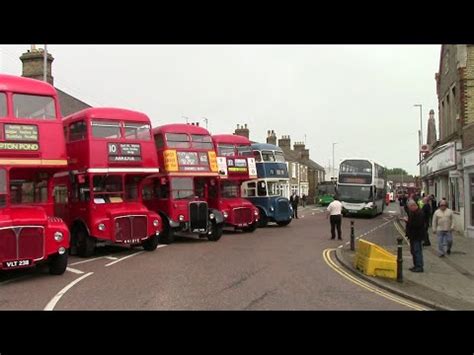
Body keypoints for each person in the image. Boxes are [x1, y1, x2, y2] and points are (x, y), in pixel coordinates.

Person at [403, 200, 425, 272]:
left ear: (413, 206)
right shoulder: (414, 212)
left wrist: (407, 221)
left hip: (416, 235)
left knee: (417, 251)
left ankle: (419, 266)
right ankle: (416, 265)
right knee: (413, 251)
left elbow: (417, 224)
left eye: (410, 207)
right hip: (413, 235)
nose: (409, 209)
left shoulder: (419, 213)